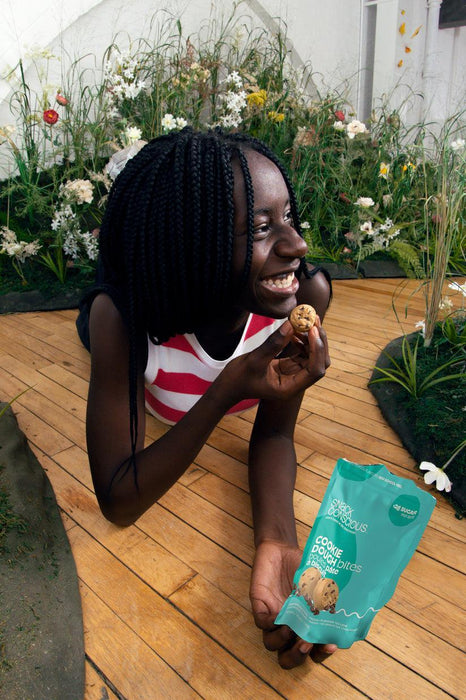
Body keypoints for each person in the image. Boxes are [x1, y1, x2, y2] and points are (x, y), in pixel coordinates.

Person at [77, 127, 335, 669]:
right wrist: (227, 389)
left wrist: (279, 542)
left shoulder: (301, 299)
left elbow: (273, 433)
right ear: (192, 244)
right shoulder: (124, 321)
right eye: (263, 228)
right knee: (91, 318)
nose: (297, 245)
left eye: (289, 217)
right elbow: (119, 498)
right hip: (145, 314)